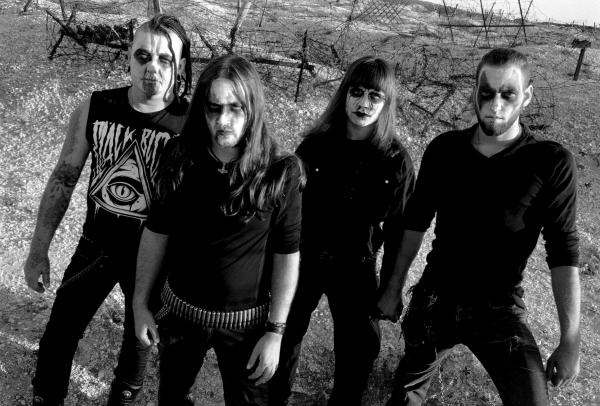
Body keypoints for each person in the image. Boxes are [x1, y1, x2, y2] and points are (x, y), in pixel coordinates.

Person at [377, 48, 580, 406]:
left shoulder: (550, 162)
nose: (495, 105)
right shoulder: (445, 150)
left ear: (527, 96)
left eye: (508, 94)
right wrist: (393, 288)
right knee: (405, 399)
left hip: (499, 308)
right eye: (486, 92)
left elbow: (563, 252)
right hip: (436, 299)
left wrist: (570, 341)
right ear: (474, 92)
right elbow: (415, 224)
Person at [23, 14, 192, 406]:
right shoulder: (95, 107)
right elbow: (63, 179)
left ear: (181, 65)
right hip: (96, 245)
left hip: (154, 257)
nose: (152, 67)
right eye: (143, 56)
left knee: (138, 344)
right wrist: (37, 250)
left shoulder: (191, 124)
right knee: (59, 333)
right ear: (129, 57)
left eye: (165, 59)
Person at [132, 53, 304, 406]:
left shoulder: (280, 171)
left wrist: (275, 332)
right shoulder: (179, 156)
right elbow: (156, 231)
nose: (223, 121)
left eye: (235, 108)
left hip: (247, 326)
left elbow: (287, 255)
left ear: (252, 108)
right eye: (213, 109)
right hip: (180, 316)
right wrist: (139, 303)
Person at [270, 56, 416, 406]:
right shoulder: (316, 146)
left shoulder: (395, 161)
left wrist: (391, 288)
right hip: (305, 260)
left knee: (357, 355)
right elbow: (288, 213)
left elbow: (401, 231)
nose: (364, 103)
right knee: (283, 340)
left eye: (375, 96)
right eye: (357, 92)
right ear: (344, 94)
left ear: (387, 102)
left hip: (356, 267)